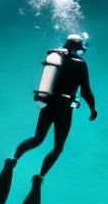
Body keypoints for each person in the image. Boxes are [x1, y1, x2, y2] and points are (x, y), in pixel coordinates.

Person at [13, 33, 97, 177]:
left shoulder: (56, 58)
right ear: (78, 48)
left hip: (48, 104)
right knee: (57, 148)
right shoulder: (81, 64)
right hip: (64, 108)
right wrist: (92, 109)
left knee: (37, 139)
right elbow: (85, 91)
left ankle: (13, 160)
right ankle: (39, 177)